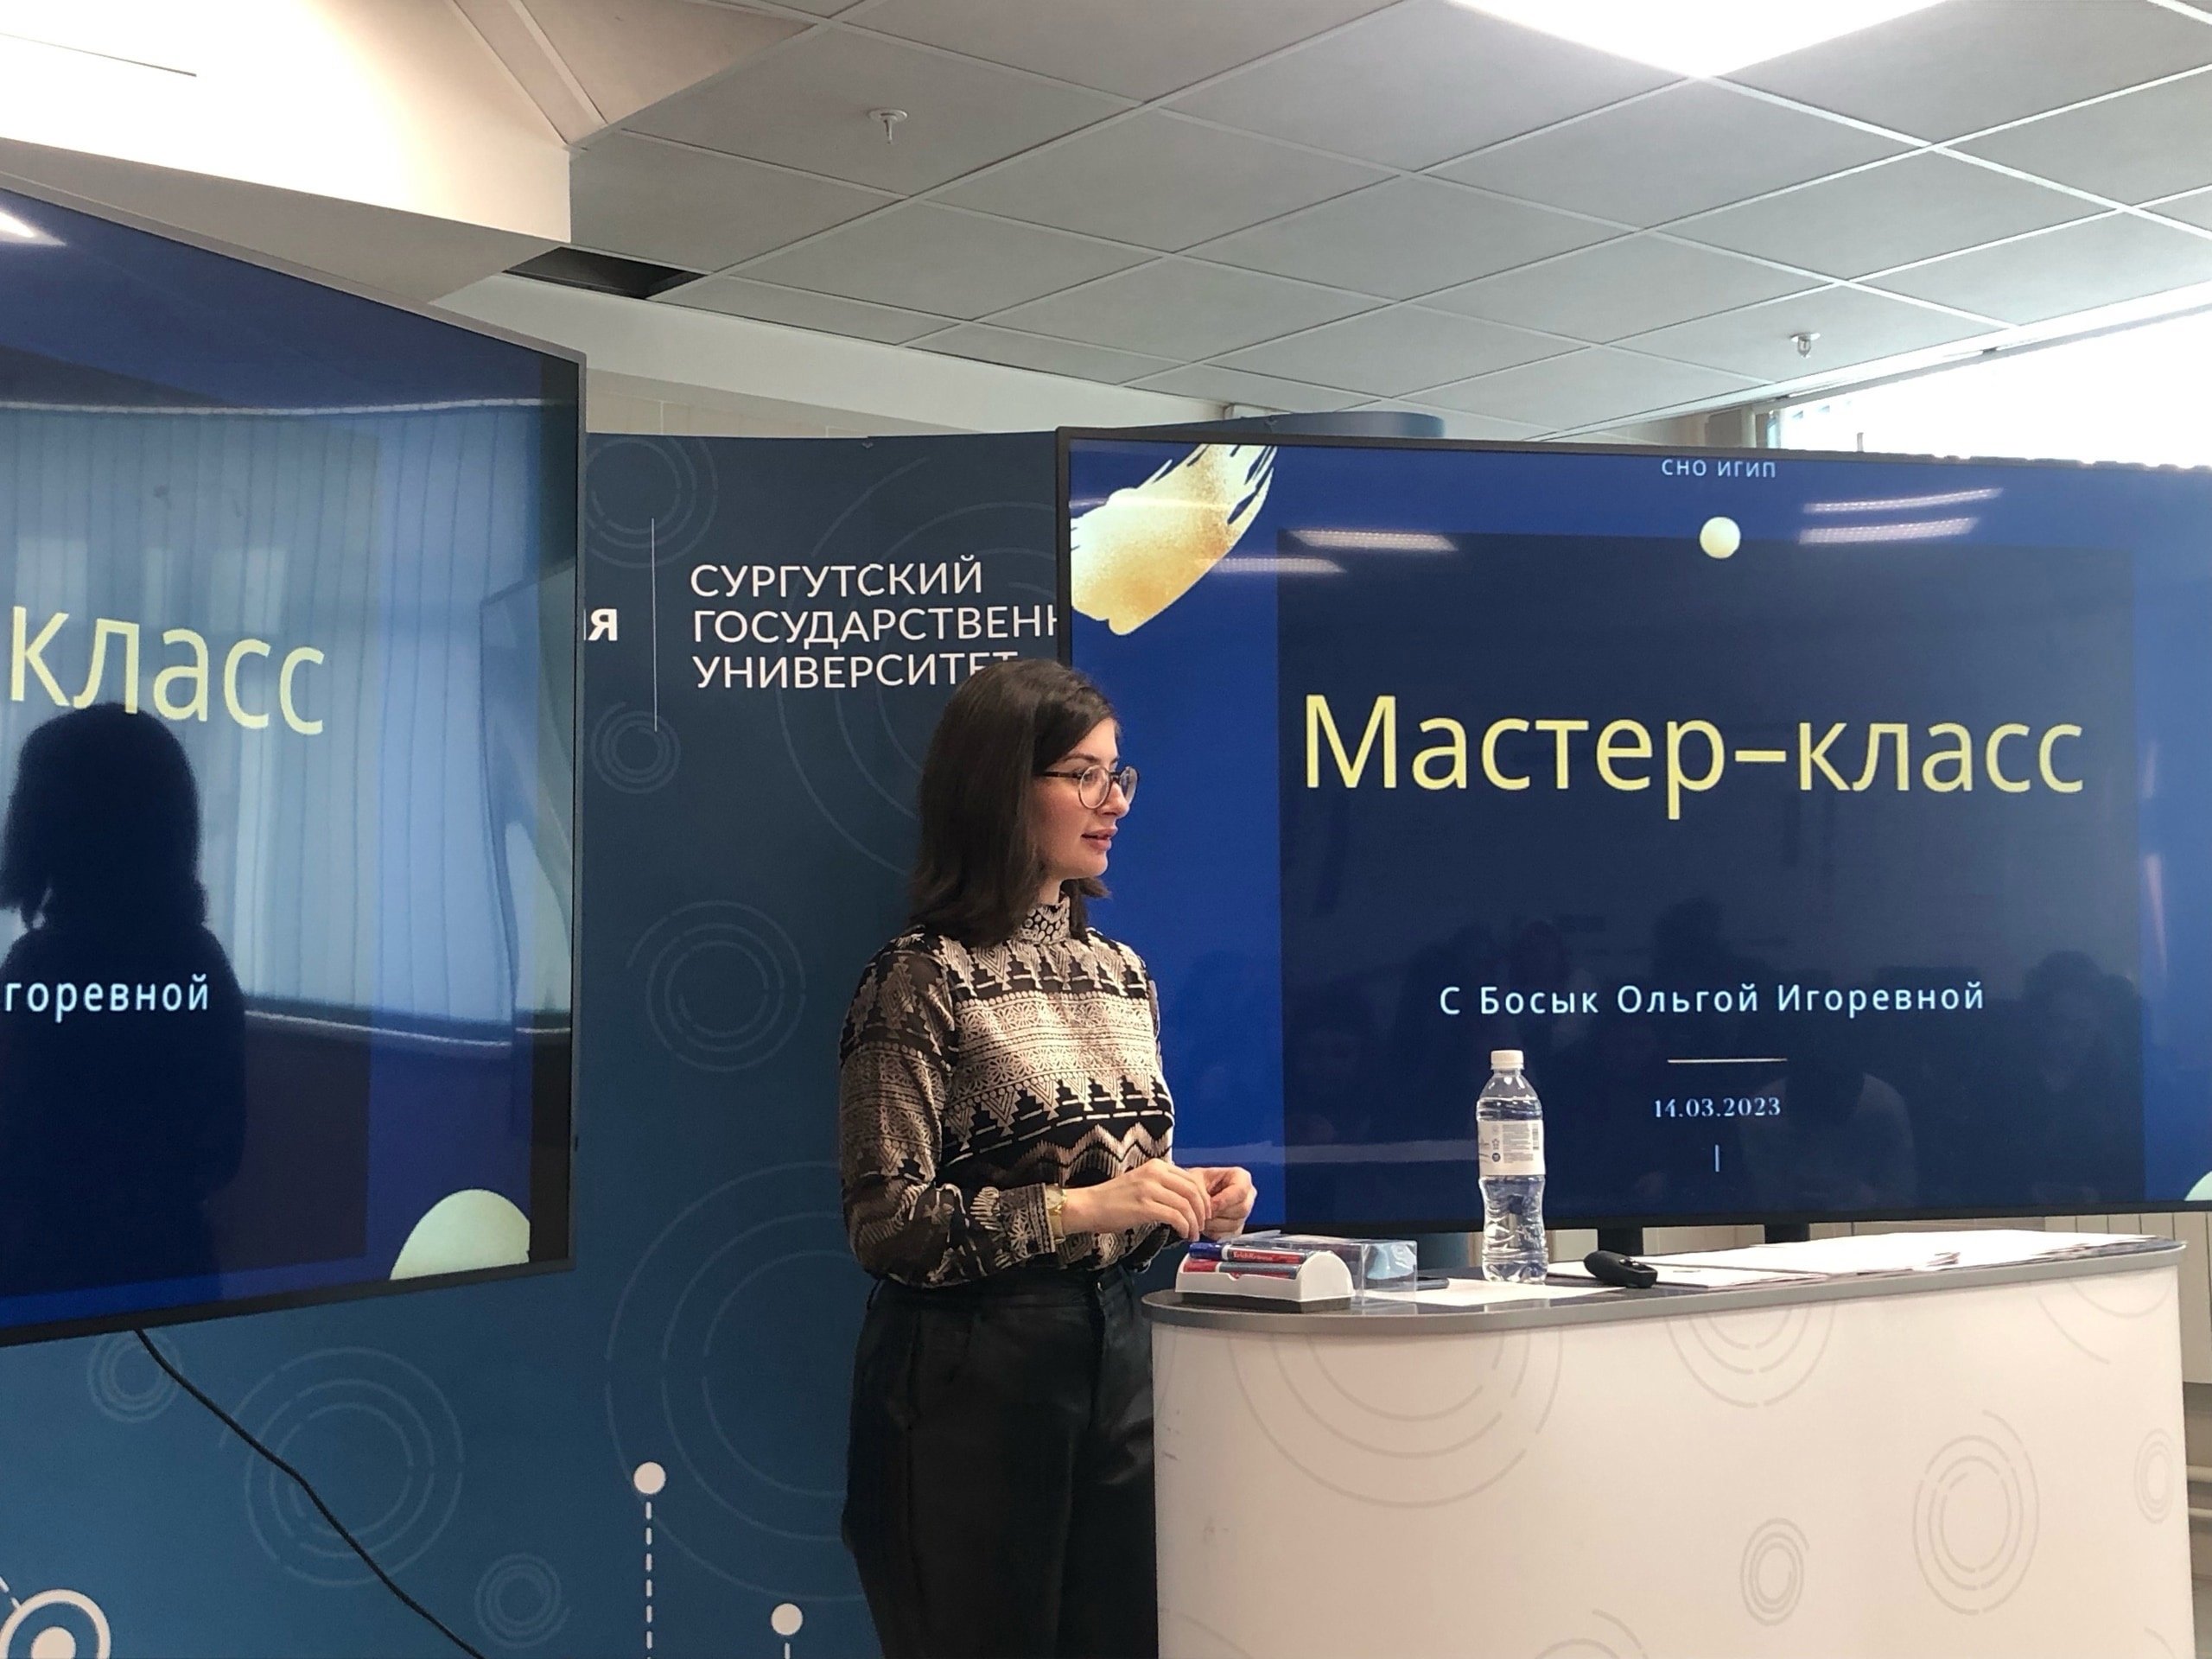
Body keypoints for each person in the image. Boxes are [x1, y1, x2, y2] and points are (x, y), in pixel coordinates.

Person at [838, 659, 1255, 1659]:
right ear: (999, 786)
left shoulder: (1123, 974)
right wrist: (1082, 1208)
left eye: (1118, 774)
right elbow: (885, 1224)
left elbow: (1120, 1196)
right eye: (1083, 775)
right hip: (967, 1375)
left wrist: (1184, 1201)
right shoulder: (919, 977)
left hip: (1118, 1353)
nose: (1114, 802)